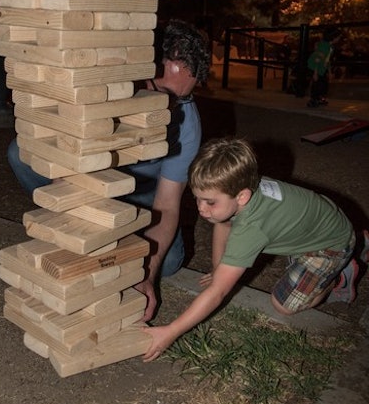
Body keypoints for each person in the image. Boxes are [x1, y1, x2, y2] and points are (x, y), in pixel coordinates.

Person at [7, 19, 211, 321]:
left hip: (145, 198)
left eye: (181, 98)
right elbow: (65, 172)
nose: (170, 108)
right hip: (90, 184)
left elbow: (167, 205)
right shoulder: (100, 97)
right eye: (163, 94)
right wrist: (78, 239)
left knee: (167, 264)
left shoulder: (186, 123)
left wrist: (146, 276)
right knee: (21, 152)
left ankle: (128, 237)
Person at [143, 136, 361, 362]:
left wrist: (171, 331)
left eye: (209, 202)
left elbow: (218, 292)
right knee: (229, 230)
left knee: (284, 305)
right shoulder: (241, 188)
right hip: (321, 222)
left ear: (242, 196)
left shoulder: (251, 228)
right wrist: (218, 269)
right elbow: (224, 223)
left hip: (328, 245)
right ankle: (354, 243)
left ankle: (338, 277)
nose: (201, 209)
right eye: (196, 198)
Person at [306, 27, 341, 108]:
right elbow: (317, 59)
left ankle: (320, 97)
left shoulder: (330, 47)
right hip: (315, 67)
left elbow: (327, 60)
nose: (339, 39)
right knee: (317, 84)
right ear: (333, 37)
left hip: (322, 67)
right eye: (338, 37)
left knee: (324, 84)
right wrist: (315, 73)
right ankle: (313, 99)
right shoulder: (324, 46)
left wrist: (329, 72)